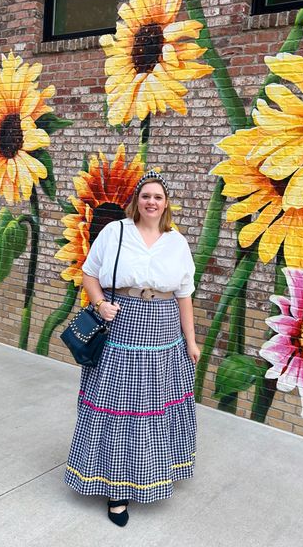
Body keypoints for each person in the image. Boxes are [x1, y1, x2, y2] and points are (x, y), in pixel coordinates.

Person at [64, 169, 200, 527]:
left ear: (165, 203)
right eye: (145, 196)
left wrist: (191, 340)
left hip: (164, 327)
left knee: (155, 405)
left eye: (157, 197)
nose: (151, 202)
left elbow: (185, 294)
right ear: (136, 201)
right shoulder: (116, 232)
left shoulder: (177, 242)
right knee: (119, 404)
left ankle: (153, 472)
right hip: (122, 321)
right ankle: (117, 490)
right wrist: (98, 303)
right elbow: (90, 273)